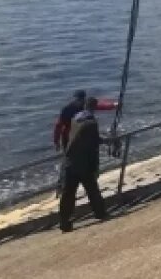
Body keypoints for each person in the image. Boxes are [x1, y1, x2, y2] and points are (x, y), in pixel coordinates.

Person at [59, 97, 111, 232]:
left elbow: (77, 138)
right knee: (92, 190)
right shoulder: (92, 123)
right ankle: (100, 213)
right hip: (83, 163)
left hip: (69, 161)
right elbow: (93, 146)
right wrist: (95, 167)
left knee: (68, 194)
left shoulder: (75, 118)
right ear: (94, 108)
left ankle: (64, 223)